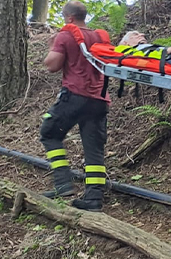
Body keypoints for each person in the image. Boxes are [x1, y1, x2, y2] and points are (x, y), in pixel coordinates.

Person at [41, 1, 110, 212]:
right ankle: (93, 199)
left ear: (69, 18)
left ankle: (63, 184)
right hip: (100, 100)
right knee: (94, 149)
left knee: (49, 133)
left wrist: (52, 44)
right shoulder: (100, 36)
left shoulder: (65, 35)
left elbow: (52, 65)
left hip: (75, 97)